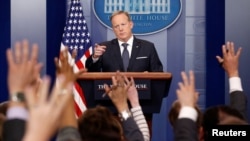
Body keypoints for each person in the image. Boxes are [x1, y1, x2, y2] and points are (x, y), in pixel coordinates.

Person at [85, 10, 163, 72]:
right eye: (116, 26)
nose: (120, 29)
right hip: (113, 91)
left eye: (123, 24)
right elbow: (91, 73)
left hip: (140, 91)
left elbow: (158, 75)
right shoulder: (104, 48)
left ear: (131, 24)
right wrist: (95, 58)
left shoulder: (148, 47)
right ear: (113, 29)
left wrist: (148, 77)